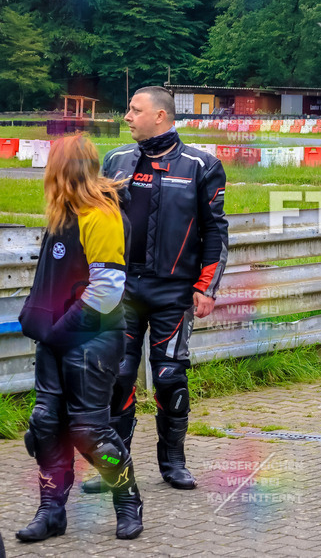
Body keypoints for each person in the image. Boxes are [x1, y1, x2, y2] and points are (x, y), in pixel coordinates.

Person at [81, 86, 228, 493]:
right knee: (118, 377)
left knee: (168, 378)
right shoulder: (116, 160)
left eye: (134, 109)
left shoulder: (202, 164)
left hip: (175, 293)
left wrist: (207, 286)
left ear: (160, 116)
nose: (126, 116)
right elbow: (94, 222)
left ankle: (173, 461)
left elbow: (216, 229)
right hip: (121, 292)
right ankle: (113, 467)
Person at [16, 135, 143, 541]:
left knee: (89, 430)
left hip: (92, 339)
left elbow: (108, 289)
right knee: (47, 423)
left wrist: (60, 331)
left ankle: (127, 501)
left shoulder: (100, 215)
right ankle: (51, 511)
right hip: (57, 338)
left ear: (63, 169)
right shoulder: (62, 214)